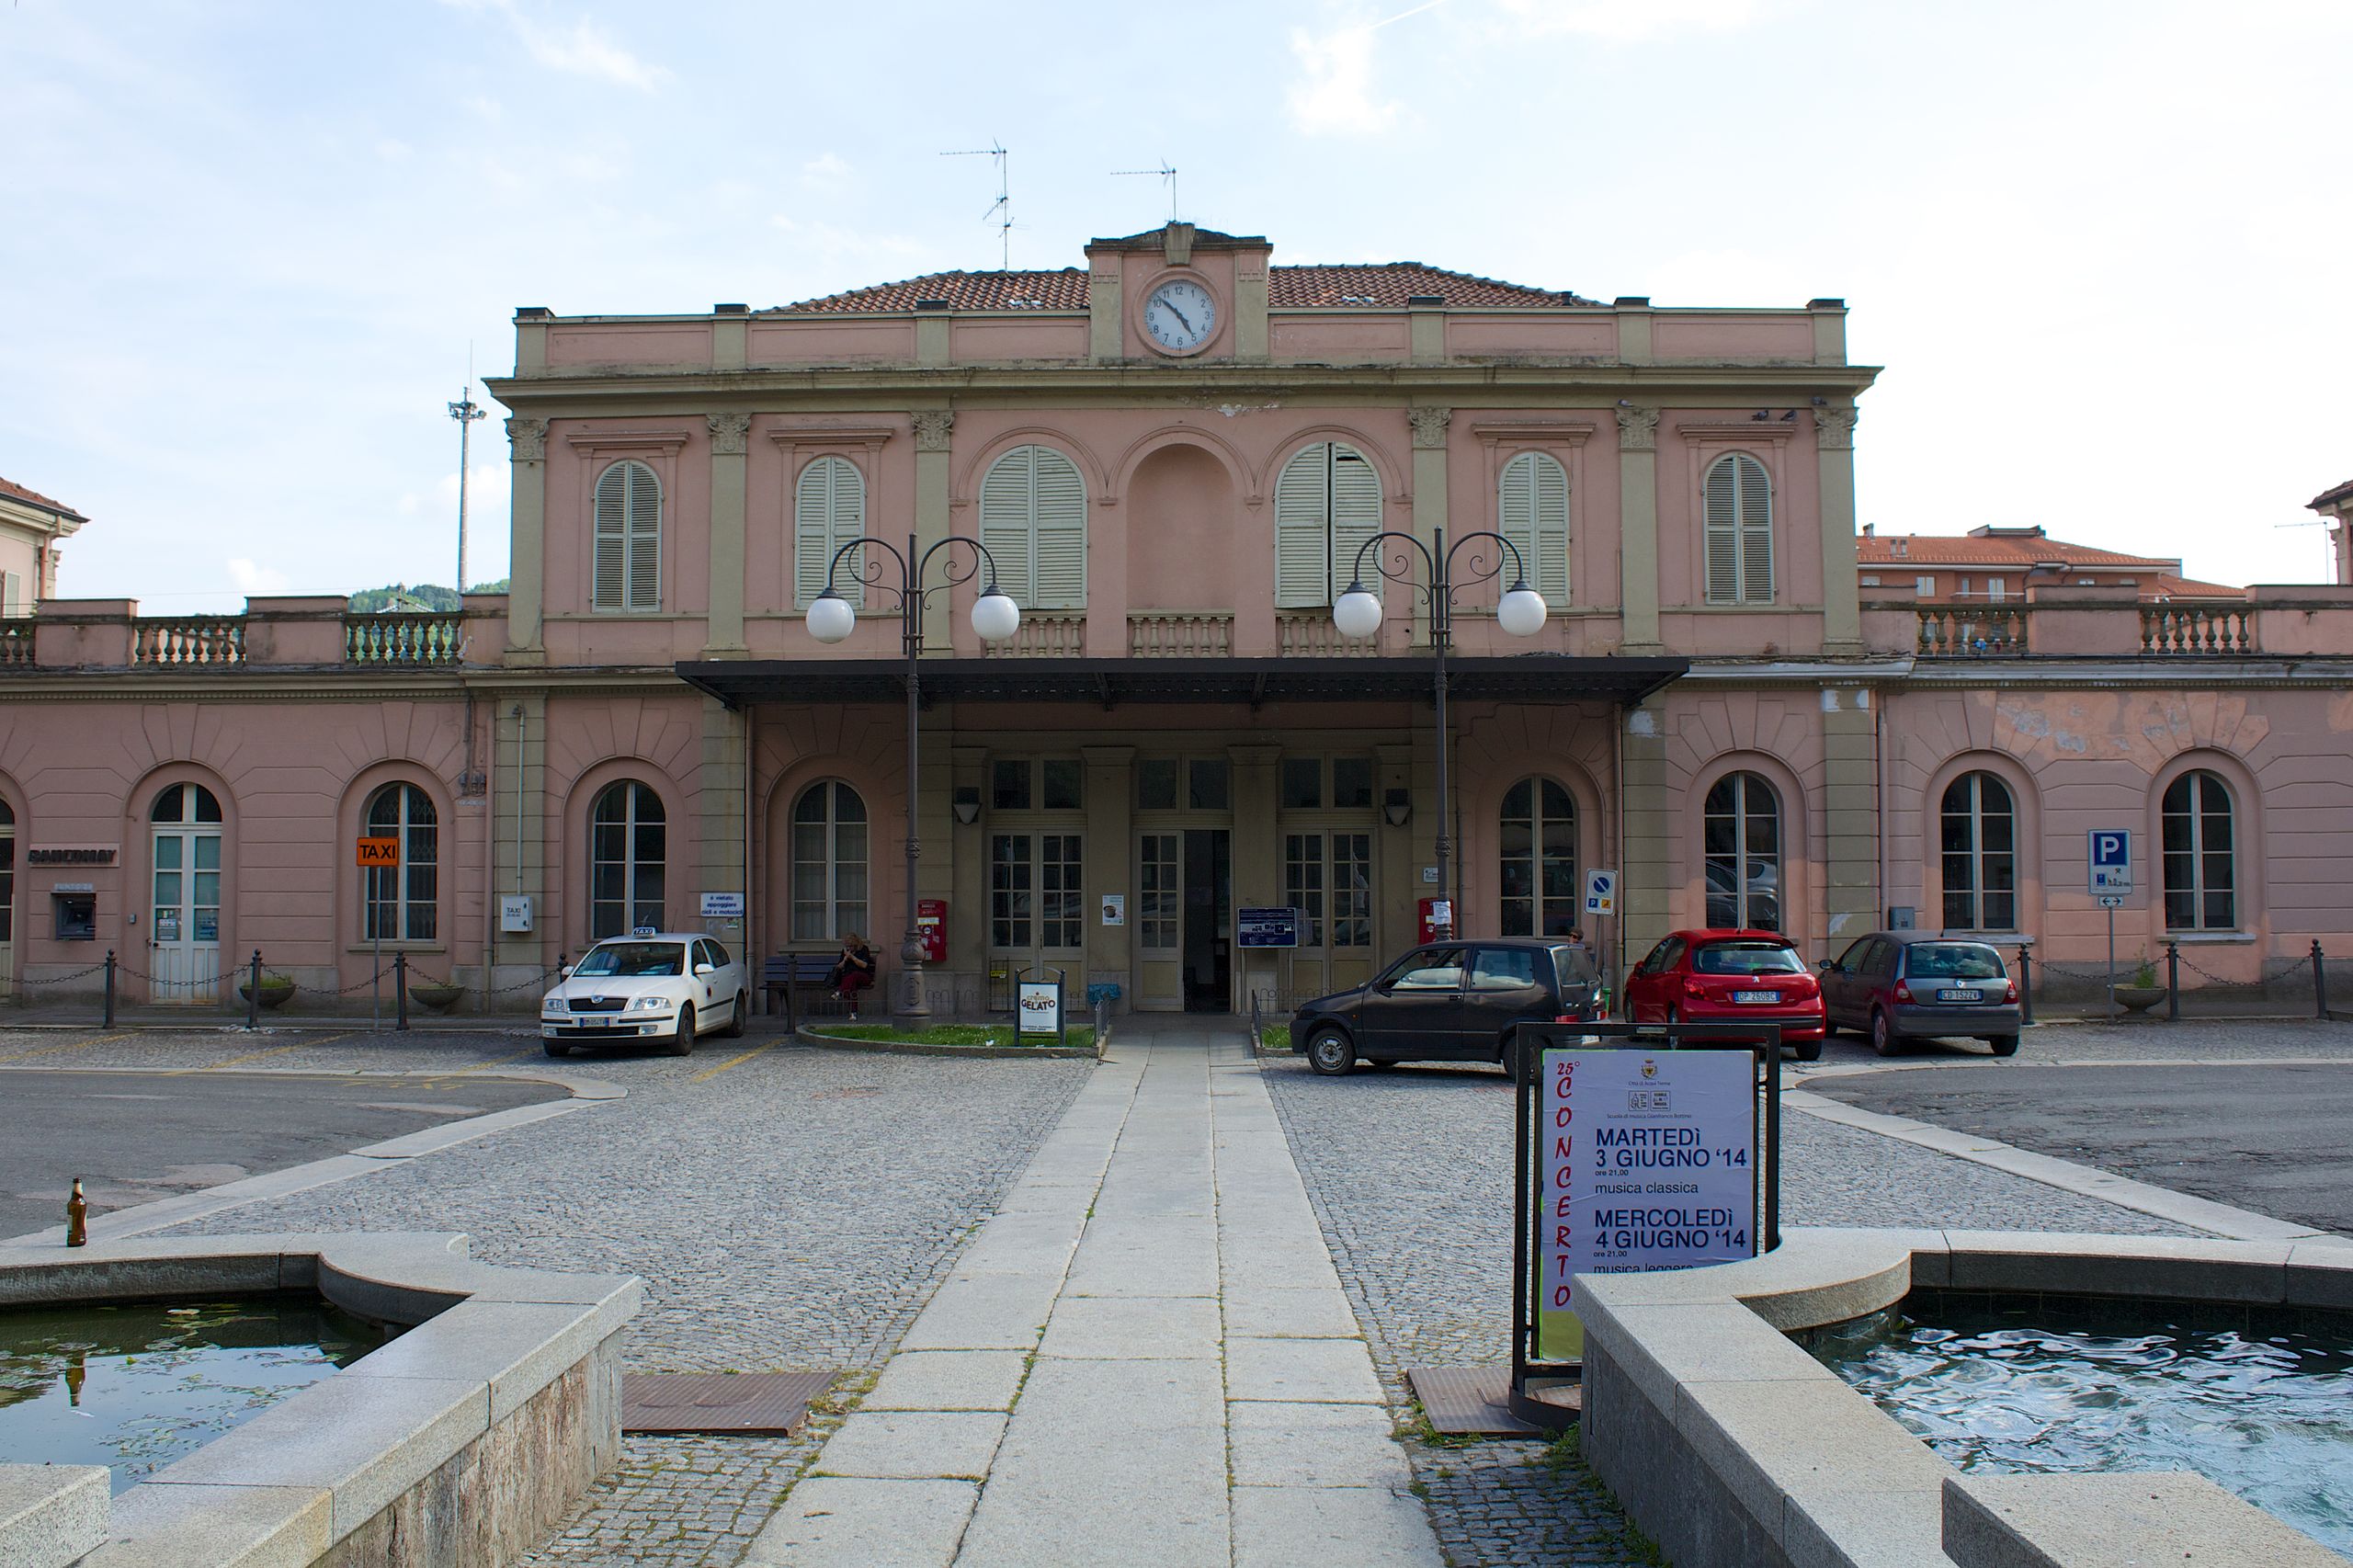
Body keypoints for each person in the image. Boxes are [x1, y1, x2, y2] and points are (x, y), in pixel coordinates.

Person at [828, 931, 875, 1019]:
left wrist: (853, 958)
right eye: (847, 946)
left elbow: (864, 965)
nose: (849, 948)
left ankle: (840, 992)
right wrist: (845, 959)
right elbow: (839, 966)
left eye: (851, 946)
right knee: (852, 987)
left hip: (864, 976)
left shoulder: (863, 949)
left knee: (854, 975)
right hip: (849, 979)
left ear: (856, 944)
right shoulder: (845, 951)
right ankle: (853, 1013)